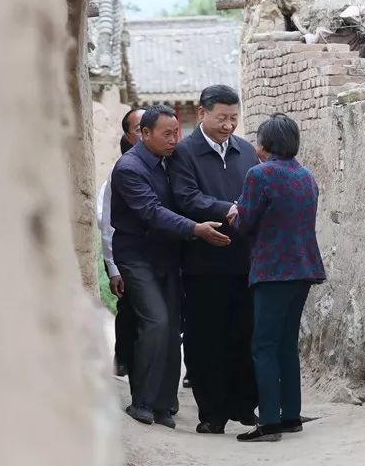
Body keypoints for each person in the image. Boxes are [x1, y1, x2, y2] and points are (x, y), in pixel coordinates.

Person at [110, 105, 231, 428]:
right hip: (137, 256)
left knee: (172, 326)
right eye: (166, 134)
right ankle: (142, 402)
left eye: (176, 133)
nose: (174, 140)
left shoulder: (170, 161)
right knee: (156, 322)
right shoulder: (129, 168)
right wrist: (195, 229)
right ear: (144, 134)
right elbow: (152, 212)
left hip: (168, 255)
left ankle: (164, 405)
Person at [167, 85, 260, 434]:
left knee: (244, 334)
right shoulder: (184, 154)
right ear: (201, 113)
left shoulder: (245, 150)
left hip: (245, 261)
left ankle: (245, 406)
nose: (228, 125)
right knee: (206, 339)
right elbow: (185, 197)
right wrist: (228, 209)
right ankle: (212, 413)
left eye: (234, 118)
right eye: (221, 118)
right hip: (202, 264)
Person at [228, 114, 327, 443]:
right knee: (286, 344)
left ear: (265, 144)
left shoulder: (259, 174)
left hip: (272, 271)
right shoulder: (306, 176)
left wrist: (234, 213)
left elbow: (244, 223)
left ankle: (269, 422)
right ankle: (290, 415)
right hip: (304, 269)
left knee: (264, 346)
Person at [106, 107, 144, 377]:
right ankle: (125, 359)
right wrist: (113, 269)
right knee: (130, 309)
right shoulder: (121, 172)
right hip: (130, 259)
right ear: (129, 136)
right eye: (140, 129)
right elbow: (108, 223)